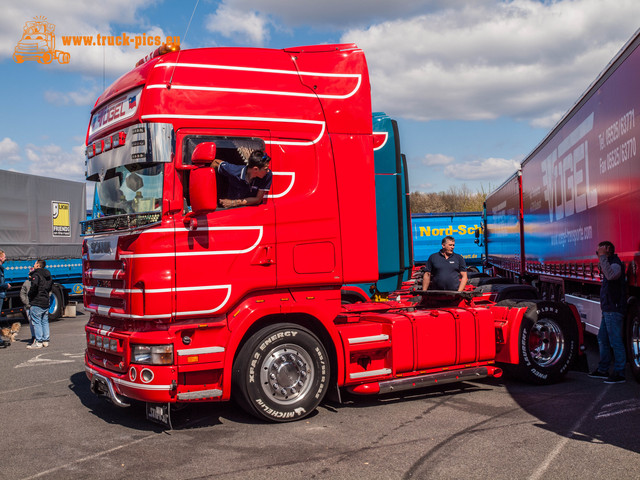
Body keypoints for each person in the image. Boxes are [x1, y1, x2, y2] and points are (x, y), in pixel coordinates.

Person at [589, 241, 627, 384]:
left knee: (615, 341)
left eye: (600, 251)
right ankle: (603, 369)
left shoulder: (616, 264)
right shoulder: (608, 262)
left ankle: (619, 372)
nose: (598, 254)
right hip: (608, 309)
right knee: (602, 338)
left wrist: (603, 258)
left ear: (607, 250)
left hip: (614, 309)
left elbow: (611, 276)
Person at [26, 259, 53, 349]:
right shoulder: (48, 275)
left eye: (35, 263)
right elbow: (49, 287)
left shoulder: (36, 275)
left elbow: (34, 286)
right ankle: (46, 340)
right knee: (44, 321)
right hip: (45, 301)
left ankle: (38, 341)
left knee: (36, 322)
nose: (33, 265)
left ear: (38, 265)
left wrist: (30, 295)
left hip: (37, 301)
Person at [20, 277, 35, 345]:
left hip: (38, 305)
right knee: (31, 322)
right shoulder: (26, 282)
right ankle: (33, 336)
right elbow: (22, 293)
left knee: (39, 322)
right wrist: (26, 302)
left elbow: (48, 290)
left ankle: (41, 338)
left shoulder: (40, 281)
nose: (29, 275)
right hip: (28, 306)